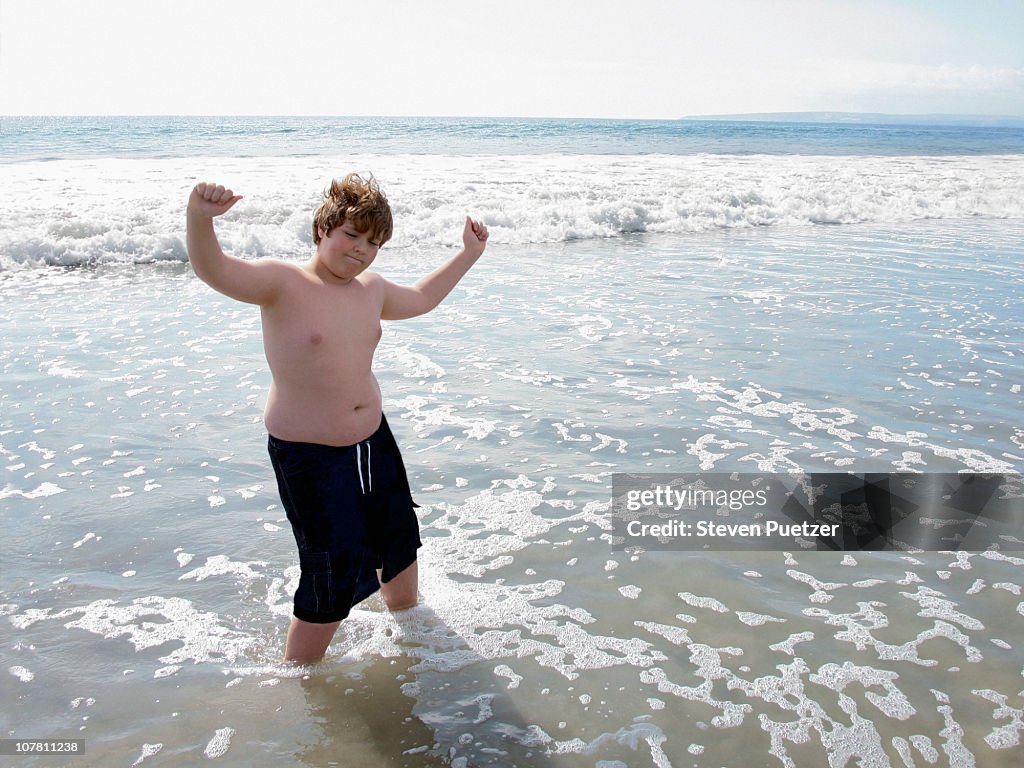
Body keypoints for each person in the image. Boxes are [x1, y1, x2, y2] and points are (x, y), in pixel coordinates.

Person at [186, 174, 488, 664]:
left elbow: (422, 298)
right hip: (309, 453)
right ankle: (301, 676)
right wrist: (200, 217)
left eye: (374, 243)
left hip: (373, 439)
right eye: (351, 235)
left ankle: (413, 629)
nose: (361, 251)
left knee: (398, 535)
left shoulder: (371, 289)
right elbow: (212, 269)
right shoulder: (283, 282)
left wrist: (468, 255)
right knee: (332, 561)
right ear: (322, 229)